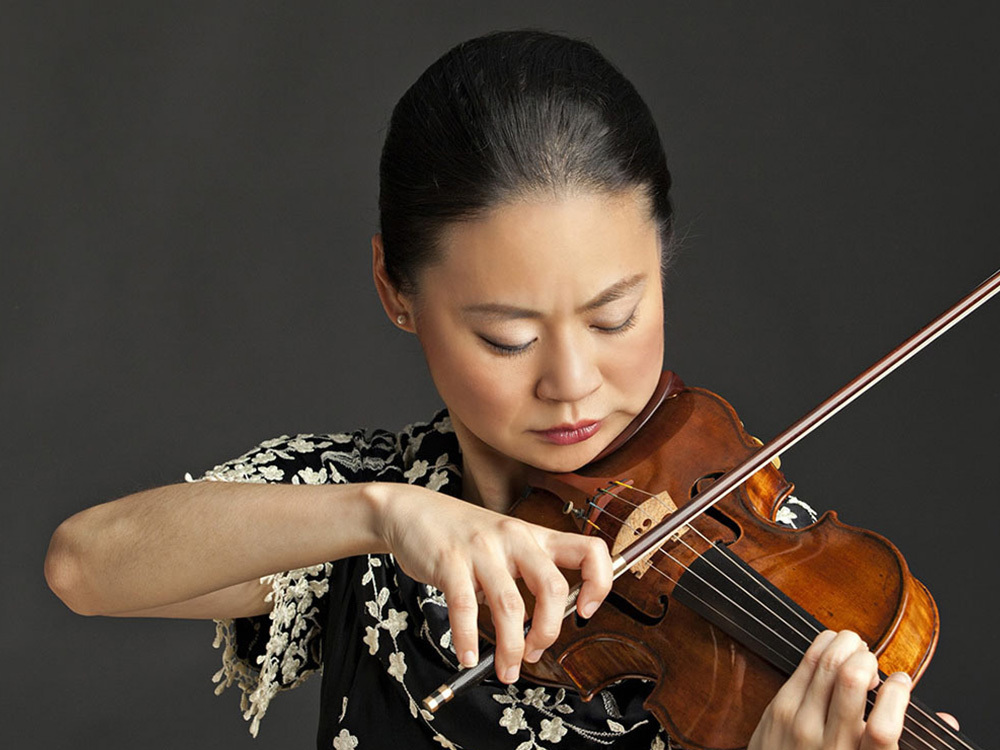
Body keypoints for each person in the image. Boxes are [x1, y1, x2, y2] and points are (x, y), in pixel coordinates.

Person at [44, 30, 927, 749]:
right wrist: (381, 514)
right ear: (396, 289)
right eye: (507, 337)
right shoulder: (369, 520)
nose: (573, 383)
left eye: (615, 317)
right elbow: (84, 565)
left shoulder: (789, 585)